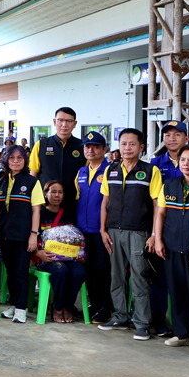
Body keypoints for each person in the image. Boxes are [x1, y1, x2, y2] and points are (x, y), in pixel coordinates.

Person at [97, 128, 163, 341]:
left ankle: (142, 323)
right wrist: (102, 230)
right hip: (114, 231)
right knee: (116, 275)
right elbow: (105, 201)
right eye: (123, 143)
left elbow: (157, 205)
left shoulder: (151, 171)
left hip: (139, 232)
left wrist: (154, 234)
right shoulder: (111, 170)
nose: (127, 148)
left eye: (132, 144)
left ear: (141, 147)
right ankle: (119, 316)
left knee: (139, 276)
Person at [152, 144, 189, 350]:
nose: (186, 163)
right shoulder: (169, 185)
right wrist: (158, 239)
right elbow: (160, 213)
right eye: (183, 160)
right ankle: (181, 333)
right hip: (172, 245)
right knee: (176, 291)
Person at [0, 144, 45, 324]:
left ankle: (22, 309)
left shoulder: (32, 182)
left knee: (21, 272)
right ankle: (14, 305)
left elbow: (36, 211)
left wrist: (34, 234)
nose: (15, 161)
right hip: (5, 235)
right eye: (11, 158)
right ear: (6, 160)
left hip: (24, 235)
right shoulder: (1, 181)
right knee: (10, 272)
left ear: (25, 161)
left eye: (19, 158)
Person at [74, 131, 112, 324]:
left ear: (104, 149)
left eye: (96, 146)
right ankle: (95, 305)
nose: (91, 150)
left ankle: (106, 308)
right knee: (89, 269)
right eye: (87, 147)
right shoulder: (81, 172)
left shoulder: (111, 171)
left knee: (103, 270)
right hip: (83, 230)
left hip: (102, 231)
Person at [34, 180, 85, 324]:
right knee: (61, 271)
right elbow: (32, 236)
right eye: (53, 192)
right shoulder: (39, 214)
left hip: (69, 257)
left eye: (60, 192)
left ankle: (67, 307)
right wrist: (38, 253)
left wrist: (80, 254)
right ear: (45, 194)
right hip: (47, 258)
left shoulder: (69, 214)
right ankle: (57, 307)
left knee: (79, 272)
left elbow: (76, 238)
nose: (57, 195)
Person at [29, 107, 84, 215]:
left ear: (75, 123)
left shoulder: (82, 147)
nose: (64, 124)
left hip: (73, 204)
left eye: (69, 121)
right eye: (60, 120)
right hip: (46, 205)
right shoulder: (41, 145)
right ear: (55, 122)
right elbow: (33, 175)